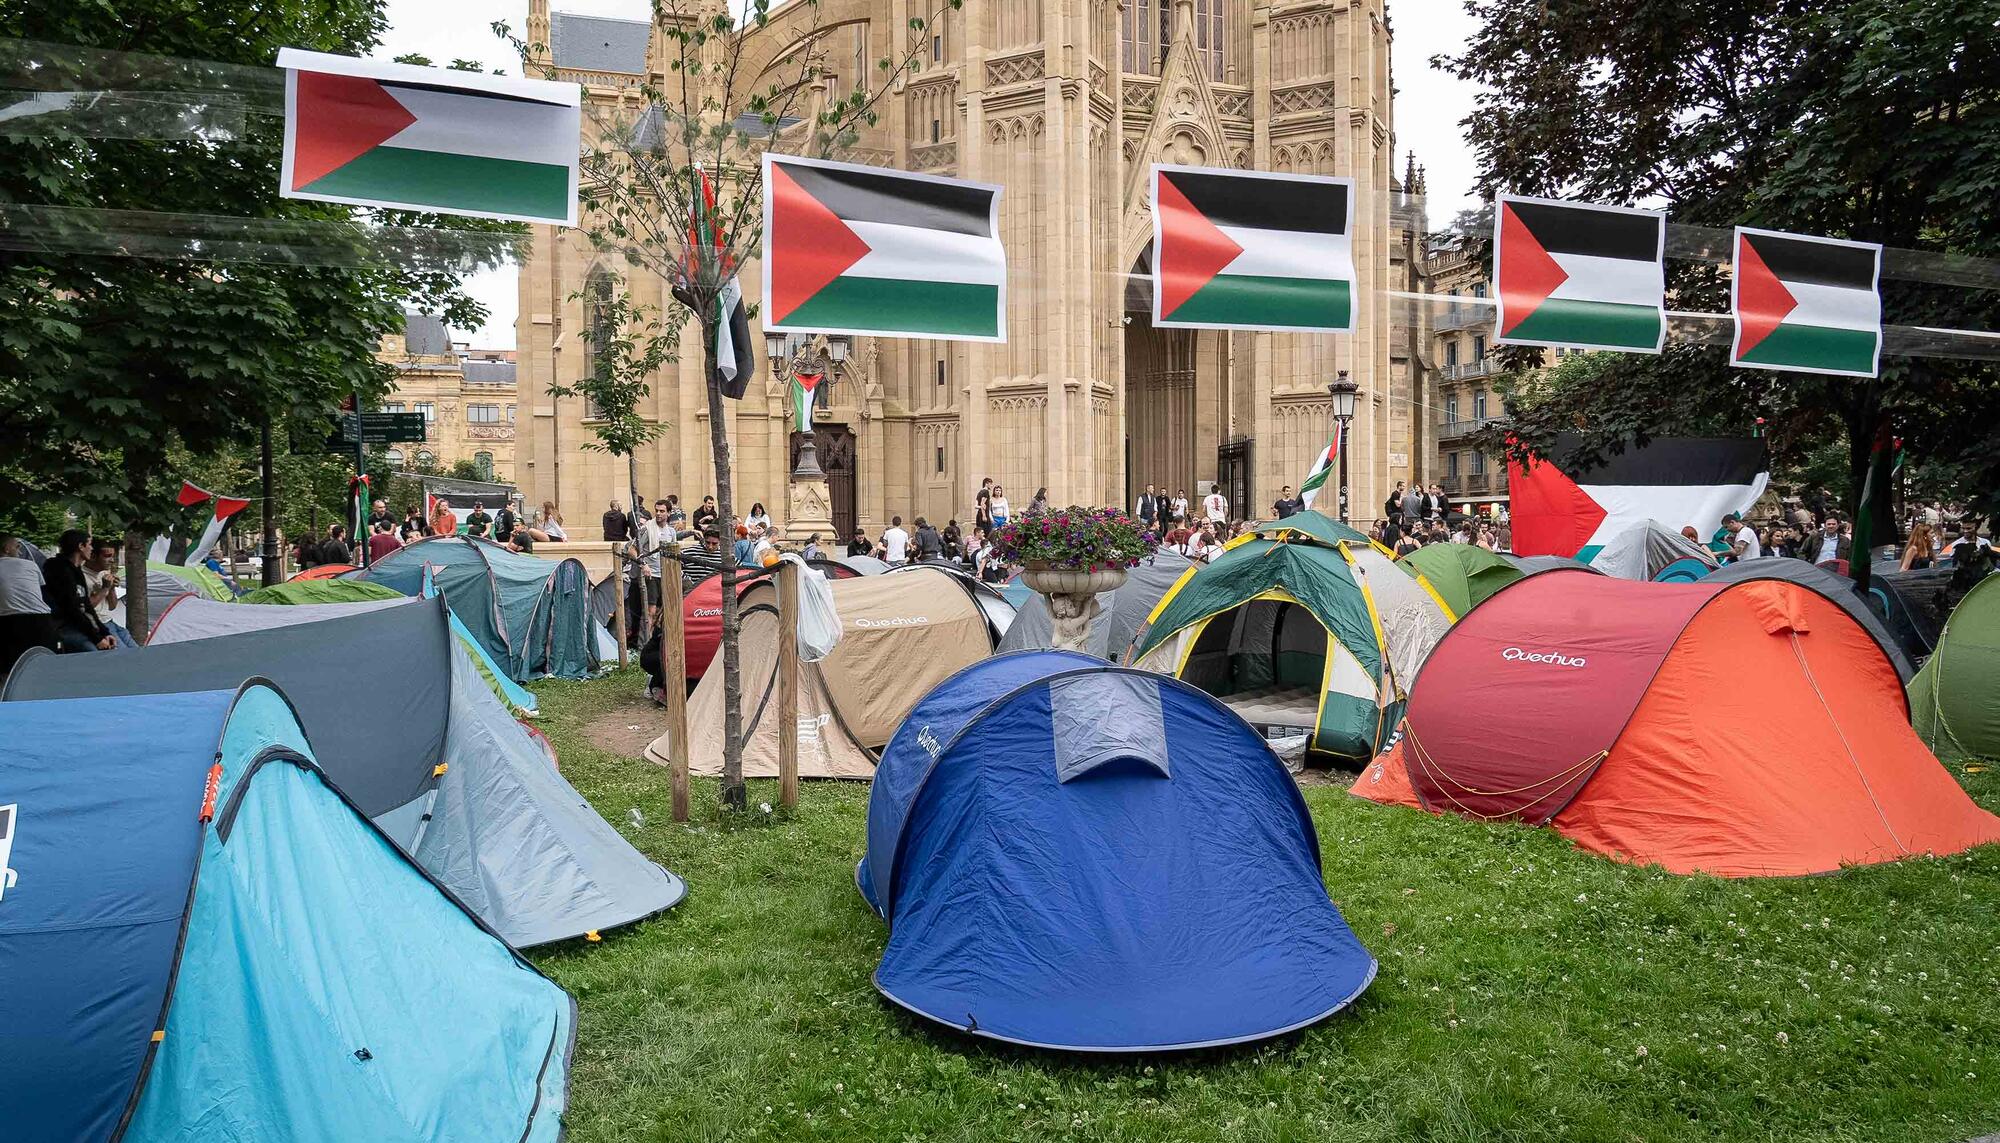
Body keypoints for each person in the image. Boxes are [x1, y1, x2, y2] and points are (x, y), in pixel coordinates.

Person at [43, 530, 113, 653]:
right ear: (81, 546)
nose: (91, 548)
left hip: (80, 626)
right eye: (89, 544)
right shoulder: (60, 571)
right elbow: (72, 609)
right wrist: (97, 639)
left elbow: (86, 605)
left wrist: (104, 633)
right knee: (98, 656)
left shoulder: (76, 570)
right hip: (64, 628)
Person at [0, 534, 57, 678]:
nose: (20, 550)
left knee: (9, 671)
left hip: (8, 621)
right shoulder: (30, 565)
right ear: (6, 549)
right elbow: (40, 591)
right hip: (41, 620)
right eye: (17, 546)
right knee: (45, 666)